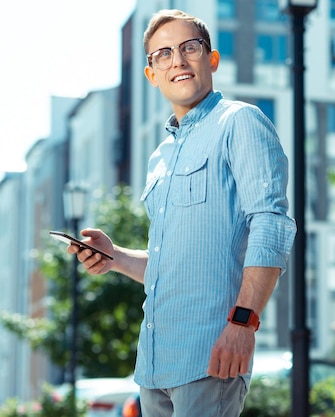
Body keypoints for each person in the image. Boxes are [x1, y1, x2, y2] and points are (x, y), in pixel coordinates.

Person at [68, 9, 296, 417]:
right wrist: (115, 256)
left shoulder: (240, 122)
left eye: (189, 48)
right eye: (163, 54)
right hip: (154, 367)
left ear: (212, 60)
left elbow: (272, 223)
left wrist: (244, 323)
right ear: (151, 74)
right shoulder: (161, 156)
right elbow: (170, 264)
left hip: (211, 357)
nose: (177, 60)